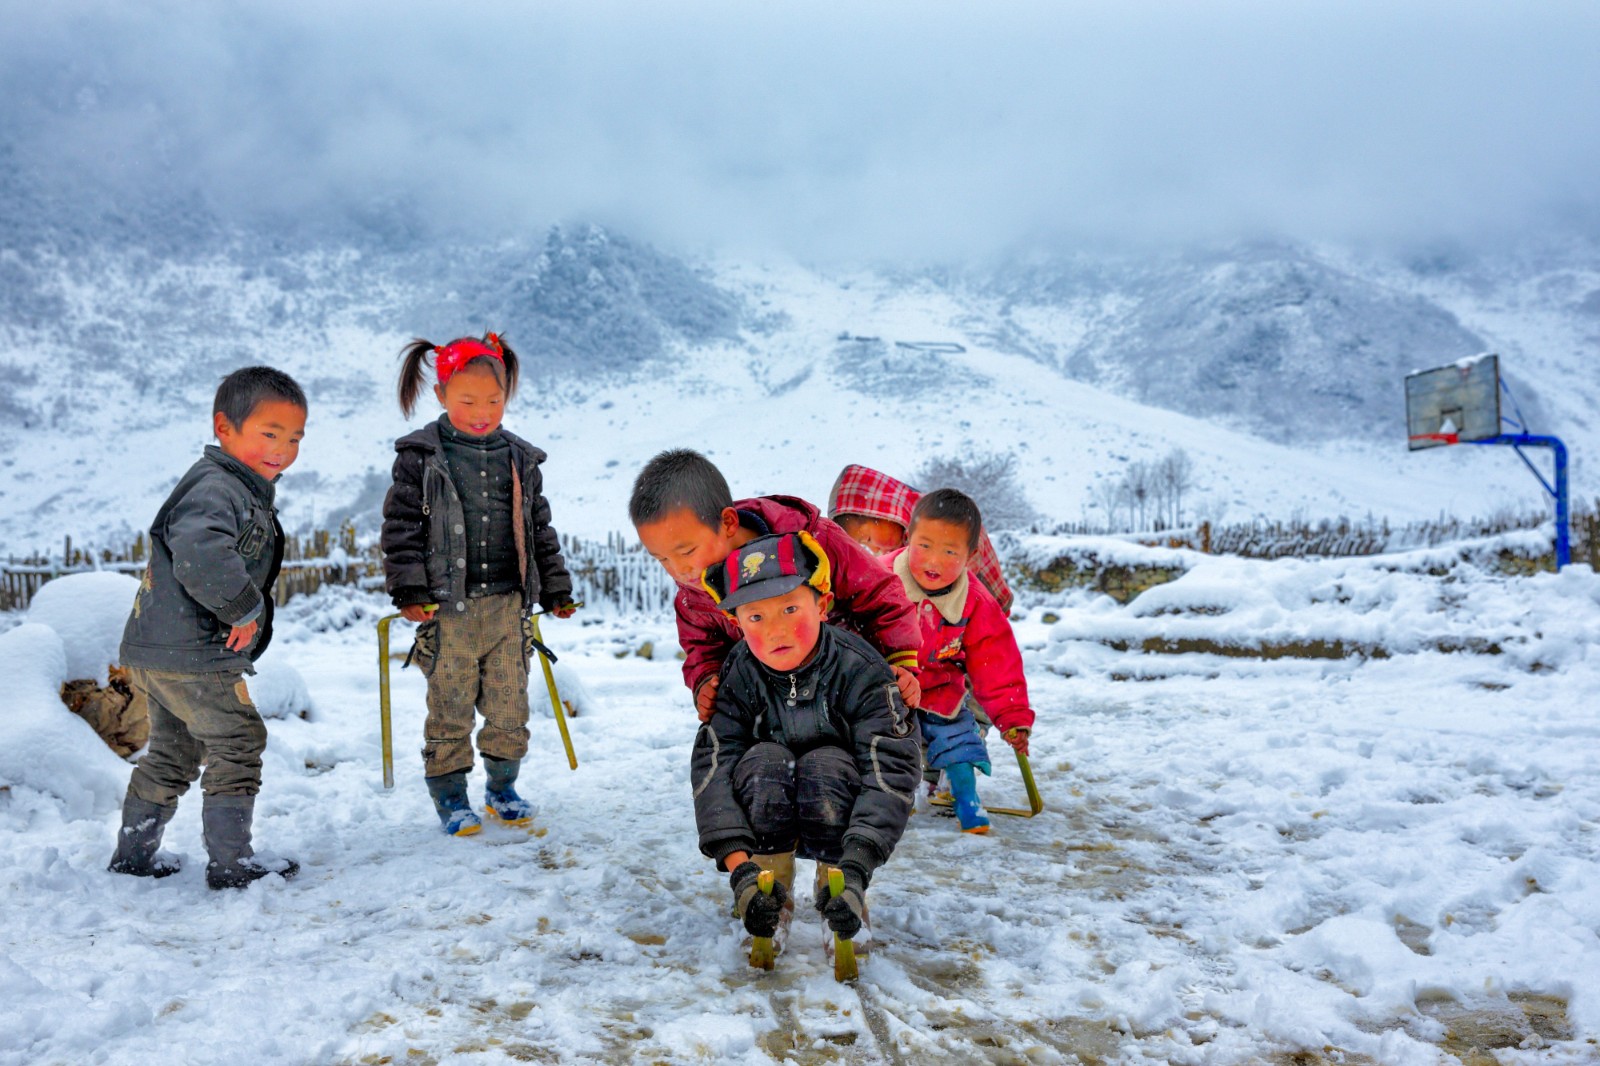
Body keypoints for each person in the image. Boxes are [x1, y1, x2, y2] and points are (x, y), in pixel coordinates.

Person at [108, 366, 307, 889]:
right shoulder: (219, 487)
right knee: (239, 740)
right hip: (197, 651)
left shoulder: (231, 485)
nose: (283, 449)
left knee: (173, 753)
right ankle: (231, 863)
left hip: (159, 649)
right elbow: (201, 553)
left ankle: (134, 857)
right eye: (270, 434)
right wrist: (243, 607)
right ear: (225, 427)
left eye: (294, 438)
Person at [380, 332, 577, 836]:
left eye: (494, 399)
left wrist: (554, 590)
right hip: (450, 613)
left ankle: (502, 788)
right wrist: (410, 591)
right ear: (441, 394)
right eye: (467, 400)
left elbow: (539, 529)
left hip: (510, 611)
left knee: (510, 707)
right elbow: (402, 529)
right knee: (449, 709)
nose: (482, 410)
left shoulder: (520, 458)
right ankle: (450, 797)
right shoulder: (421, 457)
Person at [691, 532, 920, 953]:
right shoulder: (738, 675)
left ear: (823, 604)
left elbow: (890, 770)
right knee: (764, 763)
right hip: (767, 797)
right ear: (737, 623)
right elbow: (715, 768)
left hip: (837, 798)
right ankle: (767, 891)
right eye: (755, 618)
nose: (775, 629)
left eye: (790, 608)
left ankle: (841, 892)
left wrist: (857, 867)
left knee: (825, 767)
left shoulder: (862, 669)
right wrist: (739, 870)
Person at [629, 448, 921, 722]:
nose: (679, 570)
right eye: (662, 559)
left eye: (687, 552)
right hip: (776, 707)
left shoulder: (812, 543)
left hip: (851, 683)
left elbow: (881, 596)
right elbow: (702, 649)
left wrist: (900, 664)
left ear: (728, 522)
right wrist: (707, 680)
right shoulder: (694, 598)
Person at [887, 488, 1035, 834]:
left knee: (959, 738)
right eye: (923, 546)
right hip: (888, 690)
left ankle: (966, 797)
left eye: (950, 551)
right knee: (883, 742)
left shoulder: (977, 603)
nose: (934, 560)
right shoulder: (882, 578)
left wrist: (1012, 716)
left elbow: (997, 663)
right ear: (908, 538)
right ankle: (892, 796)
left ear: (970, 556)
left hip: (941, 692)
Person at [827, 462, 1013, 612]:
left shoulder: (942, 525)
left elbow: (959, 599)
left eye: (867, 539)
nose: (874, 550)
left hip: (977, 622)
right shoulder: (906, 549)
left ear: (884, 512)